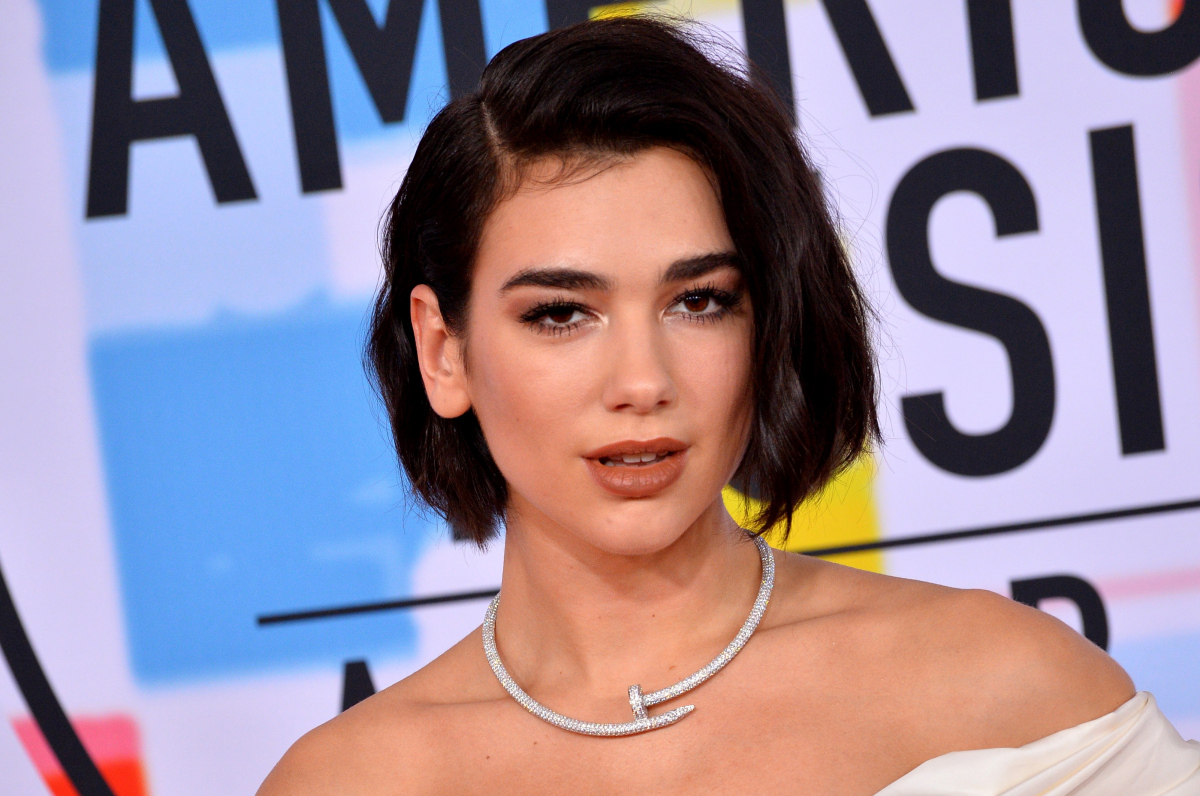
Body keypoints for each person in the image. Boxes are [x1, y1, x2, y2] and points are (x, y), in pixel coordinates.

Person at [259, 17, 1199, 795]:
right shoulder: (349, 780)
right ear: (443, 351)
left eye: (699, 301)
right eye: (561, 313)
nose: (642, 381)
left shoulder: (1005, 690)